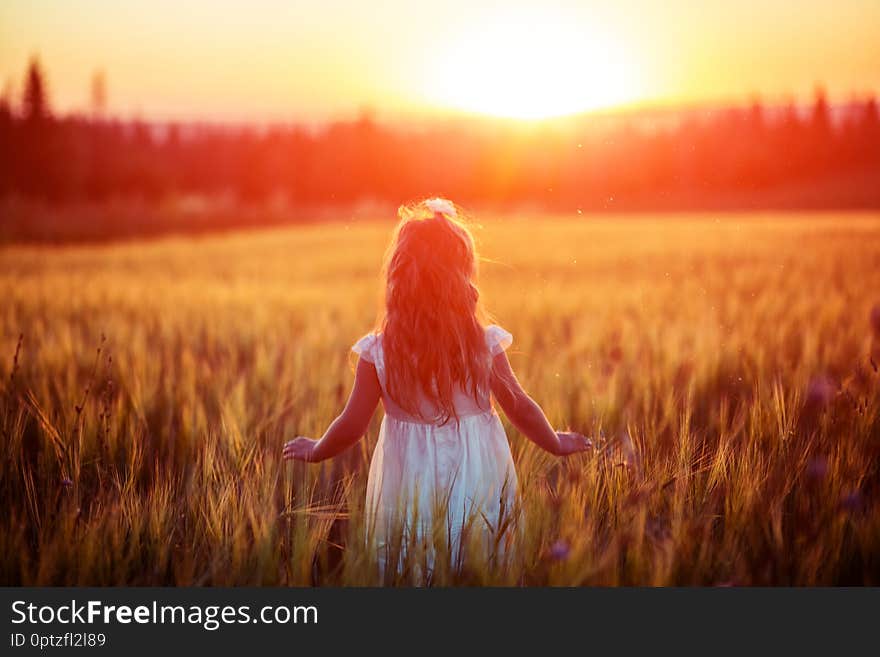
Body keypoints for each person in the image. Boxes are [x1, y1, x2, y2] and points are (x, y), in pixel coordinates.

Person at [283, 198, 591, 582]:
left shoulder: (379, 351)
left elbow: (352, 424)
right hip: (476, 472)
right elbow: (520, 407)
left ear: (399, 275)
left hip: (408, 479)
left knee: (412, 563)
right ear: (463, 276)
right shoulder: (482, 344)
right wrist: (555, 442)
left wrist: (316, 449)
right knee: (478, 559)